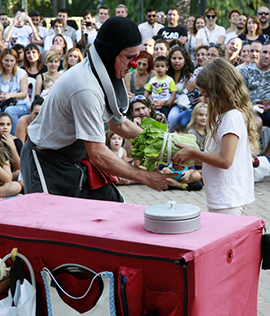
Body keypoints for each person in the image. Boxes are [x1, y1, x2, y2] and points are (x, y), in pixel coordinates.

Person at [20, 17, 174, 202]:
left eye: (136, 57)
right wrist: (146, 176)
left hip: (74, 159)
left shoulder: (104, 70)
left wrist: (163, 144)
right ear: (110, 52)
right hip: (46, 161)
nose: (134, 65)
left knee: (114, 208)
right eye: (129, 58)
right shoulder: (86, 88)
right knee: (53, 226)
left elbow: (119, 124)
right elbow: (98, 155)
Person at [172, 58, 259, 215]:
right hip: (219, 195)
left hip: (228, 198)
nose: (204, 100)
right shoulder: (222, 115)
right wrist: (187, 160)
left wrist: (193, 153)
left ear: (222, 91)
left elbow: (225, 160)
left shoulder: (232, 117)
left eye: (206, 95)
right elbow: (213, 156)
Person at [239, 41, 270, 127]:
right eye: (264, 52)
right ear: (259, 53)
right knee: (257, 122)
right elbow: (237, 96)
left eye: (269, 53)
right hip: (251, 110)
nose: (267, 56)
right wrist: (252, 106)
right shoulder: (245, 72)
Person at [0, 48, 30, 135]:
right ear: (1, 60)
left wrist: (10, 95)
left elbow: (24, 93)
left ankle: (14, 138)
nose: (9, 63)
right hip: (3, 103)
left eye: (11, 60)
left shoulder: (21, 73)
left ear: (15, 61)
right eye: (6, 60)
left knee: (9, 111)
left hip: (21, 104)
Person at [166, 46, 195, 129]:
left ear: (185, 60)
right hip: (163, 101)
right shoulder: (165, 74)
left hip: (179, 105)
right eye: (174, 58)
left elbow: (183, 96)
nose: (177, 61)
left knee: (173, 117)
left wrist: (168, 102)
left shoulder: (188, 76)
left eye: (180, 58)